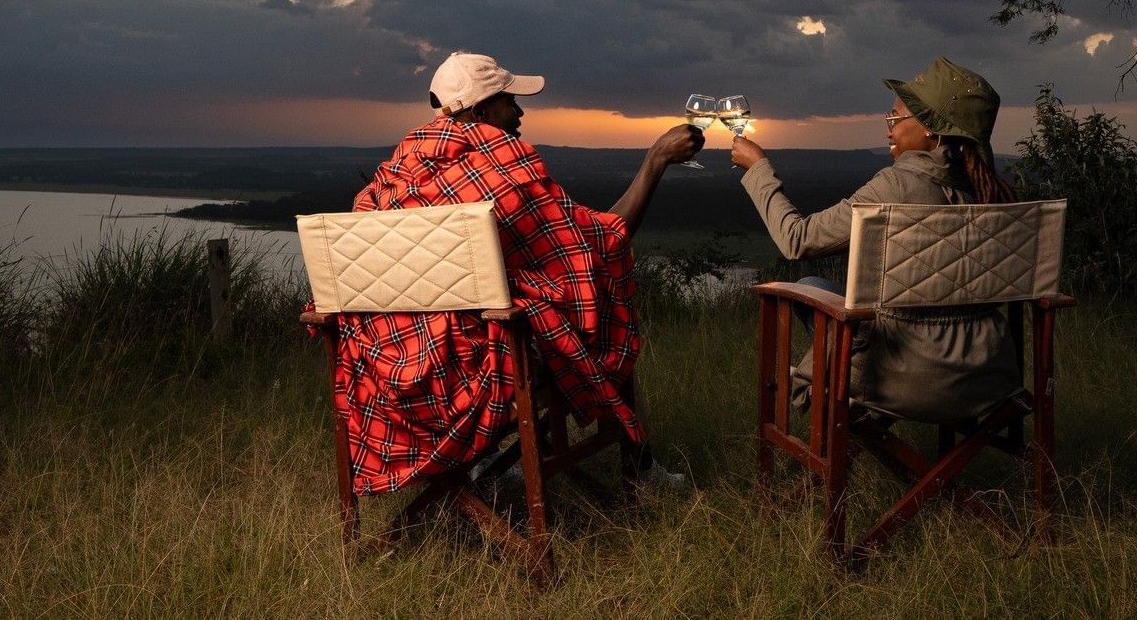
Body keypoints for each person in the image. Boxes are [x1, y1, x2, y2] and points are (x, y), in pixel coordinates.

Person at [331, 51, 702, 496]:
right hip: (480, 369)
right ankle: (640, 472)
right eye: (510, 101)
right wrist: (655, 161)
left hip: (393, 369)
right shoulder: (505, 170)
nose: (520, 112)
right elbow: (602, 243)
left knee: (479, 309)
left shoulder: (394, 175)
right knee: (604, 314)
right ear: (481, 113)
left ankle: (484, 462)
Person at [729, 56, 1021, 423]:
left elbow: (797, 239)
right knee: (818, 285)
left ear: (931, 131)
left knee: (808, 287)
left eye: (894, 118)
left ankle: (854, 422)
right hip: (987, 379)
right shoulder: (992, 195)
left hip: (902, 379)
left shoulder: (895, 187)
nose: (888, 131)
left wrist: (758, 168)